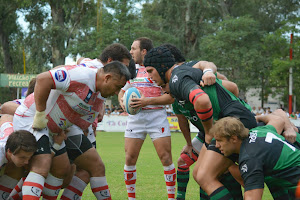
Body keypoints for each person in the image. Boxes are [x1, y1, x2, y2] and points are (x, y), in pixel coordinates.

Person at [144, 46, 257, 199]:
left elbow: (202, 101)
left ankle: (257, 183)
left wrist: (210, 131)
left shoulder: (177, 79)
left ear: (162, 67)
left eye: (150, 71)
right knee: (199, 173)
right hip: (228, 124)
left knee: (206, 176)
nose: (150, 77)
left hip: (235, 123)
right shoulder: (183, 73)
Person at [13, 61, 131, 200]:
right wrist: (40, 114)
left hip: (58, 129)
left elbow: (83, 122)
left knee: (93, 165)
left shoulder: (99, 96)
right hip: (32, 119)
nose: (116, 92)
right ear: (107, 78)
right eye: (117, 87)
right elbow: (43, 79)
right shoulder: (81, 76)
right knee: (42, 164)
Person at [60, 43, 135, 200]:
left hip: (77, 126)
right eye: (124, 65)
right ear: (109, 61)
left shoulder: (91, 65)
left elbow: (81, 60)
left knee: (84, 171)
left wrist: (97, 111)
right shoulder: (95, 71)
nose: (125, 71)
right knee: (91, 167)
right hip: (71, 126)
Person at [118, 37, 176, 200]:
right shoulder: (131, 70)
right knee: (129, 158)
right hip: (135, 118)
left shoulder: (160, 68)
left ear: (144, 51)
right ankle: (131, 198)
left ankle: (171, 198)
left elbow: (170, 97)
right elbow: (122, 91)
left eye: (133, 48)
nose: (130, 52)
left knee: (166, 158)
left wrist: (146, 101)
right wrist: (123, 102)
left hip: (156, 117)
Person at [213, 114, 300, 200]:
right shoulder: (259, 131)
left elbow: (252, 197)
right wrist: (258, 117)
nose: (216, 145)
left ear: (234, 139)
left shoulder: (250, 158)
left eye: (219, 140)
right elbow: (277, 119)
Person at [0, 114, 37, 199]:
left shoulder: (12, 134)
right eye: (22, 157)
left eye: (29, 157)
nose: (26, 161)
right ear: (9, 151)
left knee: (19, 167)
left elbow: (6, 116)